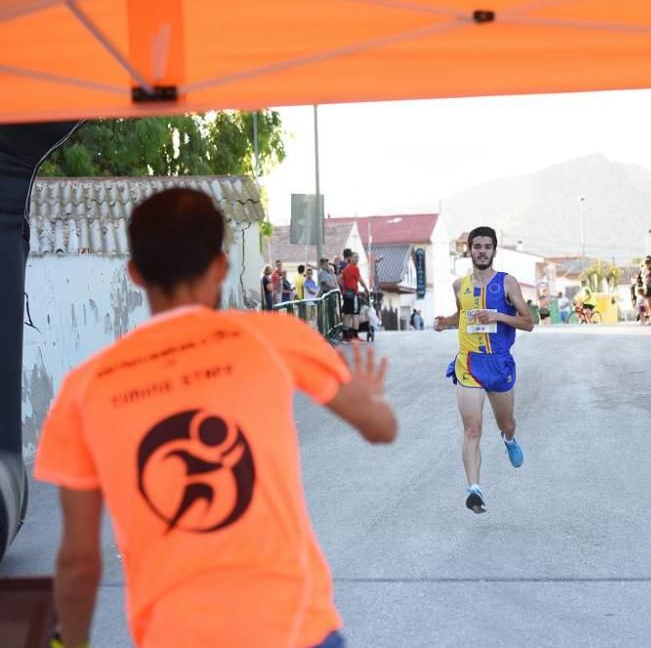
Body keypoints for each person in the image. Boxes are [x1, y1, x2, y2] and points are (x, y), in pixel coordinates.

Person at [32, 188, 397, 648]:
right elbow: (381, 429)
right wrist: (366, 398)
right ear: (221, 266)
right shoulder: (274, 336)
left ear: (135, 274)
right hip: (295, 630)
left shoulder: (84, 387)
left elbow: (79, 560)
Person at [433, 226, 533, 514]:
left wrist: (498, 315)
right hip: (469, 363)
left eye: (487, 247)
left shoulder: (507, 283)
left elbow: (528, 322)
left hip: (499, 363)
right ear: (470, 250)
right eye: (477, 246)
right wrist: (445, 322)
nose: (482, 251)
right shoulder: (459, 286)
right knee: (473, 428)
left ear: (494, 251)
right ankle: (474, 489)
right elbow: (462, 315)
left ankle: (509, 439)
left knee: (506, 423)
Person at [340, 252, 368, 341]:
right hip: (353, 294)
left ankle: (345, 335)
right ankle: (355, 336)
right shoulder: (355, 268)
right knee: (355, 314)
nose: (357, 259)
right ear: (351, 258)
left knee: (347, 314)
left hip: (346, 293)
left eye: (358, 258)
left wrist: (344, 286)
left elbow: (339, 278)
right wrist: (366, 288)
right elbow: (360, 280)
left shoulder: (345, 269)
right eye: (355, 257)